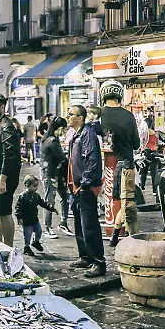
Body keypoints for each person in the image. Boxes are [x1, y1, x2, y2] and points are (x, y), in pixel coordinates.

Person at [99, 82, 141, 246]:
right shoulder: (128, 115)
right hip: (126, 165)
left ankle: (115, 234)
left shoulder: (100, 116)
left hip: (109, 166)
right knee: (128, 204)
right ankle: (134, 240)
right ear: (119, 95)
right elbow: (136, 144)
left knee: (121, 202)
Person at [67, 105, 106, 277]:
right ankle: (86, 256)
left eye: (71, 114)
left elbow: (91, 159)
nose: (68, 117)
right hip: (76, 187)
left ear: (80, 118)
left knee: (89, 225)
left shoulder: (87, 134)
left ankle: (98, 262)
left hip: (85, 187)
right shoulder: (76, 135)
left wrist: (85, 183)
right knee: (79, 223)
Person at [0, 94, 23, 247]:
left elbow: (8, 154)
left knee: (3, 212)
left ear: (2, 107)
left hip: (5, 176)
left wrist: (3, 179)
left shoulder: (6, 126)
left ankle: (7, 248)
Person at [40, 116, 69, 239]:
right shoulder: (53, 141)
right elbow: (61, 157)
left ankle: (62, 223)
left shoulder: (46, 138)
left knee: (62, 197)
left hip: (50, 172)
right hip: (51, 174)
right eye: (65, 129)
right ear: (61, 128)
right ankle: (48, 227)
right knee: (50, 200)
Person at [15, 175, 56, 255]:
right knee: (27, 235)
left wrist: (51, 208)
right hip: (27, 221)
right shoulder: (23, 196)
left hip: (34, 219)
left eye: (37, 186)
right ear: (27, 185)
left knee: (39, 231)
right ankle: (26, 247)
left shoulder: (36, 196)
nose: (36, 188)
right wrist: (19, 217)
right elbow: (18, 207)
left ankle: (36, 242)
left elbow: (42, 203)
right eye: (34, 186)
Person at [138, 113, 162, 192]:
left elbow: (141, 142)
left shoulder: (143, 133)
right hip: (154, 153)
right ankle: (155, 190)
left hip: (145, 152)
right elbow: (157, 143)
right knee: (154, 173)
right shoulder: (155, 133)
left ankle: (142, 187)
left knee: (143, 171)